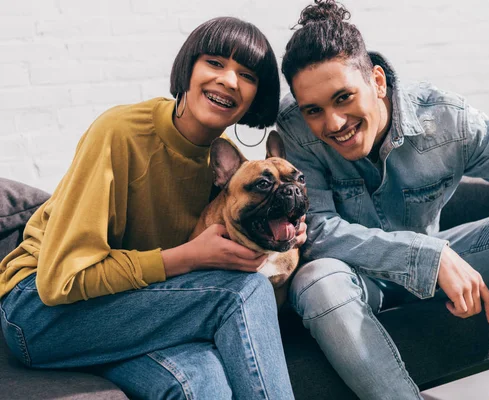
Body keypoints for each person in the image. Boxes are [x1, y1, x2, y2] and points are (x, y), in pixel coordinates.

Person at [275, 1, 489, 399]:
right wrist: (426, 255)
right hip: (352, 279)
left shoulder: (447, 120)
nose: (333, 123)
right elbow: (317, 231)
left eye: (343, 98)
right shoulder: (294, 129)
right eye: (314, 110)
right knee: (315, 279)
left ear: (378, 81)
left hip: (438, 266)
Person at [0, 17, 303, 400]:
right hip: (41, 312)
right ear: (188, 67)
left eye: (246, 74)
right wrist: (187, 258)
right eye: (214, 63)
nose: (229, 80)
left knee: (203, 385)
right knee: (243, 292)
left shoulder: (229, 169)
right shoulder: (120, 132)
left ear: (256, 96)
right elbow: (60, 280)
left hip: (131, 311)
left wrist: (280, 229)